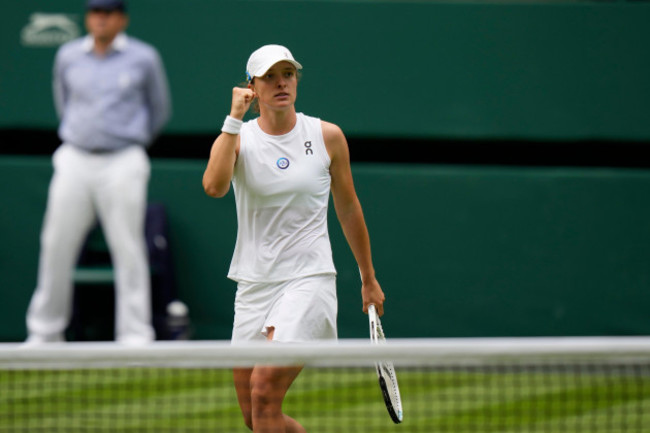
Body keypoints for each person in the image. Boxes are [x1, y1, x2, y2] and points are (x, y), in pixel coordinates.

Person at [202, 44, 386, 432]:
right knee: (256, 417)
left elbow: (349, 207)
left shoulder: (327, 136)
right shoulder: (238, 137)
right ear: (251, 86)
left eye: (287, 73)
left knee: (264, 389)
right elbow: (214, 187)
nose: (281, 82)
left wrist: (368, 278)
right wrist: (233, 119)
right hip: (253, 283)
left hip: (309, 279)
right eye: (270, 76)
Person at [25, 0, 171, 345]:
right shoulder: (67, 56)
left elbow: (159, 109)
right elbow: (64, 102)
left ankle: (134, 334)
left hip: (124, 159)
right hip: (74, 157)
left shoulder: (144, 57)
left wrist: (130, 140)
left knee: (128, 245)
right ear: (88, 18)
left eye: (107, 12)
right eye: (94, 12)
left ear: (121, 18)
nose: (100, 18)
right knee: (55, 244)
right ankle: (44, 332)